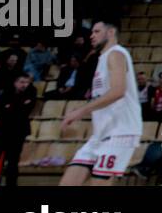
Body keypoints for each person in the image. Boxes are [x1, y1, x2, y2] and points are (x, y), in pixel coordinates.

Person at [59, 20, 142, 185]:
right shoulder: (102, 58)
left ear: (110, 33)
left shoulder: (116, 53)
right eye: (91, 32)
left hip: (121, 132)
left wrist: (80, 112)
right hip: (101, 134)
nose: (91, 36)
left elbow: (118, 91)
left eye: (97, 32)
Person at [0, 72, 36, 186]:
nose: (24, 85)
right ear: (15, 83)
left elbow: (25, 110)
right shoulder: (5, 93)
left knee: (13, 164)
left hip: (17, 134)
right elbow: (1, 109)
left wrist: (11, 106)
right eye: (22, 82)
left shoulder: (31, 94)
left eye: (27, 82)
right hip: (0, 133)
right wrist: (18, 105)